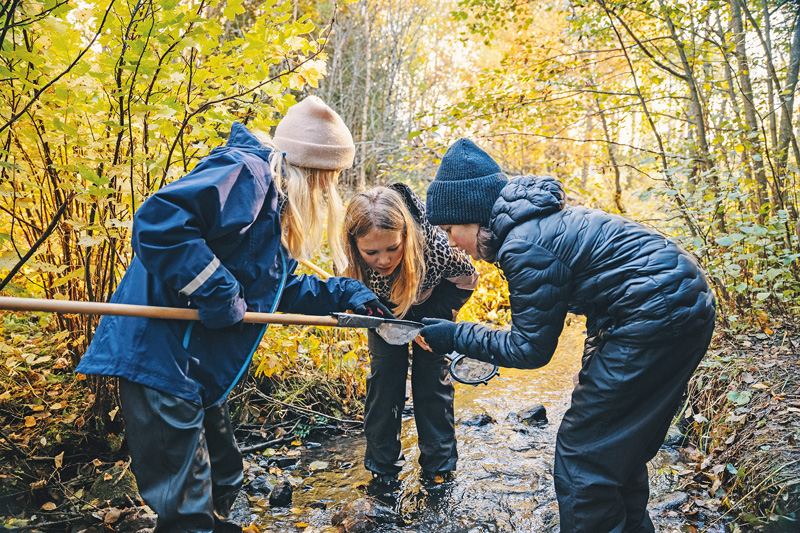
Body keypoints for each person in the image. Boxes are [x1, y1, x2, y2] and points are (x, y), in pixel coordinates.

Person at [76, 96, 392, 532]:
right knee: (188, 510)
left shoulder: (272, 208)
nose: (326, 192)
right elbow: (160, 223)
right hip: (160, 358)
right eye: (328, 180)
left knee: (226, 479)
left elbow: (275, 289)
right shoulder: (248, 173)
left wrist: (348, 293)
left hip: (198, 368)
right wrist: (219, 292)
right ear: (312, 171)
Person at [419, 138, 716, 532]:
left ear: (474, 216)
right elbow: (607, 302)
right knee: (614, 450)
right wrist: (593, 365)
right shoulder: (539, 228)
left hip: (659, 319)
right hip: (676, 311)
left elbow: (529, 350)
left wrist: (453, 335)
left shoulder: (525, 245)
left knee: (583, 456)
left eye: (451, 228)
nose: (450, 241)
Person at [343, 184, 478, 486]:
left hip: (430, 305)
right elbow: (347, 292)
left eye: (393, 248)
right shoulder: (351, 259)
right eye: (371, 252)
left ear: (405, 235)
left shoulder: (436, 247)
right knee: (384, 381)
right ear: (355, 246)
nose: (383, 260)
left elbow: (468, 280)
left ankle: (439, 465)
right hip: (384, 313)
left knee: (432, 381)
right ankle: (383, 467)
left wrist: (442, 316)